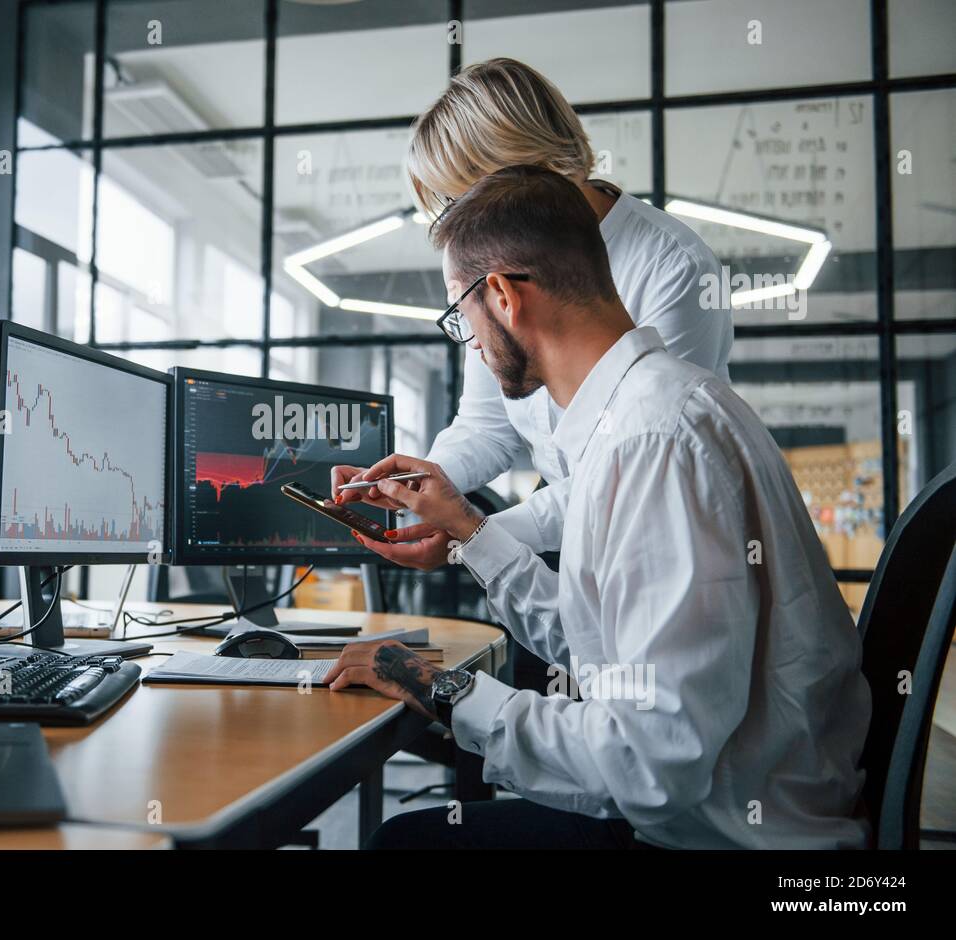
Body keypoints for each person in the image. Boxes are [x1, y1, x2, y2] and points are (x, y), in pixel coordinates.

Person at [323, 164, 871, 850]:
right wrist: (467, 530)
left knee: (403, 846)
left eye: (460, 318)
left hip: (726, 838)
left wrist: (442, 689)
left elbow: (649, 761)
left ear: (502, 296)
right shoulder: (647, 413)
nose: (473, 345)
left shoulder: (650, 444)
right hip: (720, 807)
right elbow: (606, 647)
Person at [332, 58, 732, 572]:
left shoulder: (673, 265)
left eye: (461, 195)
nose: (458, 221)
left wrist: (471, 535)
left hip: (662, 530)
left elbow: (638, 465)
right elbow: (486, 426)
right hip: (565, 518)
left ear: (517, 167)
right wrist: (415, 486)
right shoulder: (499, 266)